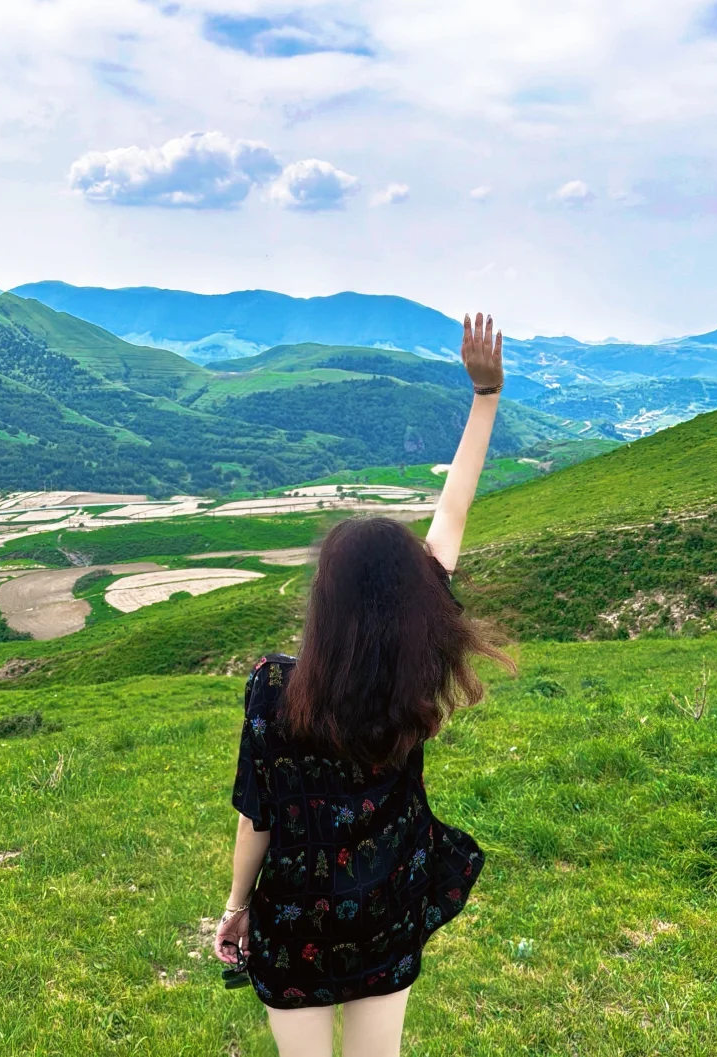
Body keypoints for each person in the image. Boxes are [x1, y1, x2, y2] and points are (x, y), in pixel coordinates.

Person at [214, 312, 513, 1057]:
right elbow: (452, 513)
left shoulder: (273, 691)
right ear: (413, 601)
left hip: (295, 919)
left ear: (324, 604)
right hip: (384, 901)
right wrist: (484, 397)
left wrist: (235, 906)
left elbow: (258, 816)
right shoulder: (414, 673)